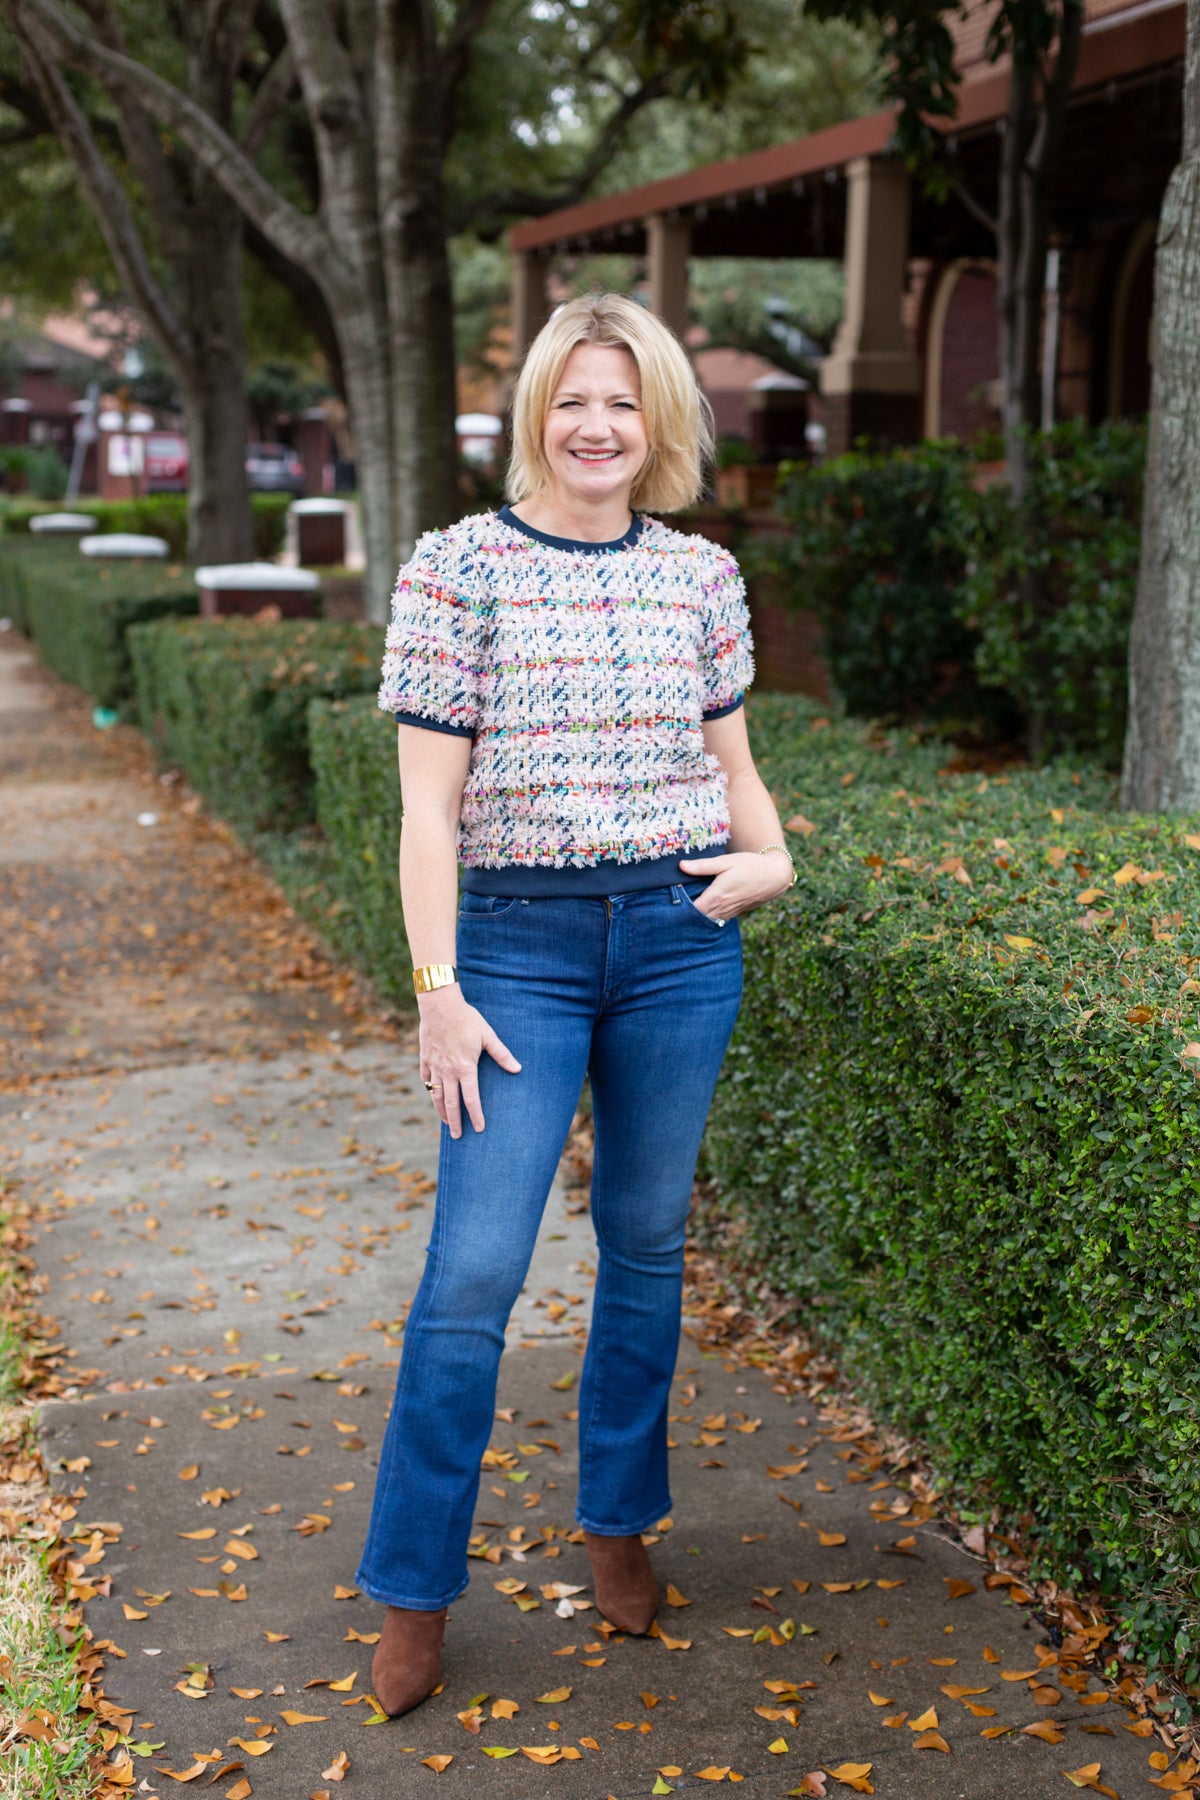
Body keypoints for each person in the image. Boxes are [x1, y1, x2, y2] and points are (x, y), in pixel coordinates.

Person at [356, 292, 796, 1717]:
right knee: (475, 1274)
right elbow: (426, 813)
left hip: (676, 945)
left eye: (625, 403)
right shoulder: (456, 569)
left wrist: (768, 861)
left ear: (660, 422)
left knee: (647, 1245)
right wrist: (436, 991)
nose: (598, 427)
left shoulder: (700, 578)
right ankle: (414, 1590)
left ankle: (619, 1527)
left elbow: (734, 769)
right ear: (534, 412)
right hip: (514, 954)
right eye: (573, 401)